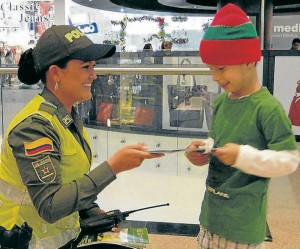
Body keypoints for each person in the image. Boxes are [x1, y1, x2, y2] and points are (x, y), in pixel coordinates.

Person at [0, 25, 164, 249]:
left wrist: (93, 213)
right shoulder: (34, 128)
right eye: (86, 67)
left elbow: (66, 180)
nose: (93, 75)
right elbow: (49, 205)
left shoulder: (67, 116)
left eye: (93, 67)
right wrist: (112, 167)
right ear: (56, 73)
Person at [185, 4, 300, 249]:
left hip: (243, 227)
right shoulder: (222, 102)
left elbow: (289, 160)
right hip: (210, 217)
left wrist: (242, 156)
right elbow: (217, 140)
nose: (215, 77)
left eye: (222, 68)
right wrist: (203, 150)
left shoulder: (267, 109)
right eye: (211, 69)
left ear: (249, 60)